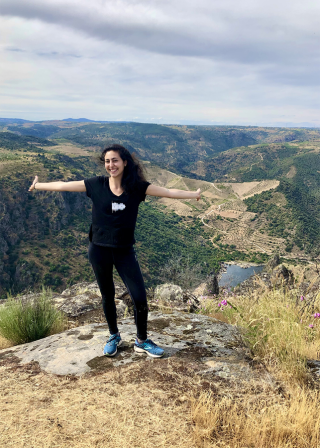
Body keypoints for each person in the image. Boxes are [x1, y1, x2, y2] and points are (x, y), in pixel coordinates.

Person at [29, 144, 201, 358]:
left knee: (139, 297)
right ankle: (113, 335)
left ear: (125, 162)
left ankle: (142, 340)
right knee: (107, 295)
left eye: (115, 160)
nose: (111, 165)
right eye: (107, 161)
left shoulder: (137, 187)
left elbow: (167, 192)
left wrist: (193, 194)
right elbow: (64, 186)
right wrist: (39, 185)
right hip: (99, 250)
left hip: (124, 251)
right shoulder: (96, 185)